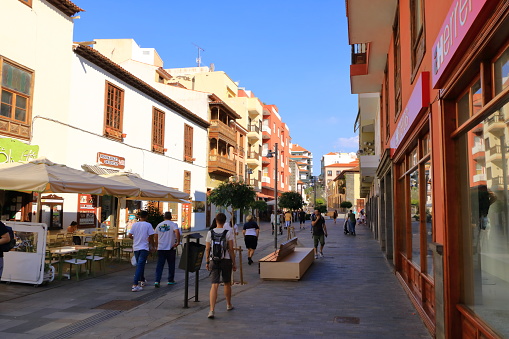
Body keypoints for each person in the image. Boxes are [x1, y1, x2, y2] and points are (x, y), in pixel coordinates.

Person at [205, 213, 236, 319]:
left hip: (214, 260)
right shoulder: (228, 232)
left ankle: (211, 310)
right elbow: (231, 249)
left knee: (214, 285)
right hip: (226, 260)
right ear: (224, 221)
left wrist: (207, 262)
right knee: (227, 283)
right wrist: (234, 262)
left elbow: (207, 248)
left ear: (216, 220)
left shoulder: (210, 232)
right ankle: (228, 304)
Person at [128, 210, 155, 292]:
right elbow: (151, 237)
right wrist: (152, 246)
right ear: (146, 216)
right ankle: (135, 284)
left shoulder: (135, 225)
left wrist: (135, 239)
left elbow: (129, 235)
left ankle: (142, 280)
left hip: (136, 247)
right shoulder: (148, 225)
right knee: (140, 265)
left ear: (139, 217)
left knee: (140, 264)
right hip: (144, 247)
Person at [154, 212, 180, 287]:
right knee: (171, 264)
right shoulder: (173, 224)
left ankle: (157, 281)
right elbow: (177, 231)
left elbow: (155, 235)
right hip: (170, 247)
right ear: (171, 217)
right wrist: (178, 241)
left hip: (161, 247)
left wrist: (156, 245)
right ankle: (170, 280)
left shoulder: (159, 225)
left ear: (164, 217)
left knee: (160, 265)